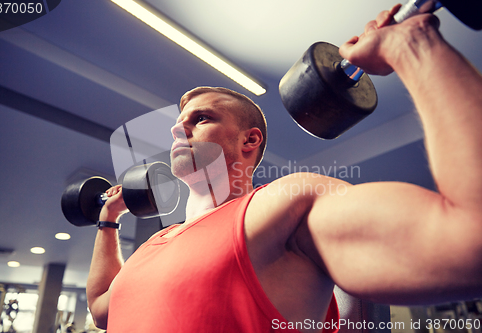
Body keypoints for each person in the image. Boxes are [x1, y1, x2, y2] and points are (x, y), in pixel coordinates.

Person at [86, 4, 482, 332]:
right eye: (179, 121)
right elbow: (103, 307)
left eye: (201, 118)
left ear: (249, 141)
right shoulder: (154, 244)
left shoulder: (281, 209)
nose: (178, 127)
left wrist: (413, 45)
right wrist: (109, 220)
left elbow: (471, 241)